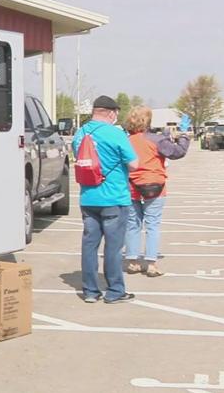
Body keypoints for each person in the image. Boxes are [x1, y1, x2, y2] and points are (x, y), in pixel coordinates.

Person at [71, 95, 139, 304]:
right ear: (111, 113)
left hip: (88, 198)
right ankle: (115, 291)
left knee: (89, 245)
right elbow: (134, 164)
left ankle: (90, 291)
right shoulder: (115, 134)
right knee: (113, 247)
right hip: (114, 198)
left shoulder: (80, 134)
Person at [123, 106, 190, 276]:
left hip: (131, 185)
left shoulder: (125, 140)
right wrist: (183, 135)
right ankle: (151, 264)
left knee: (133, 224)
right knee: (152, 225)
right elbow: (178, 152)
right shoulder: (156, 140)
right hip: (154, 184)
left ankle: (132, 261)